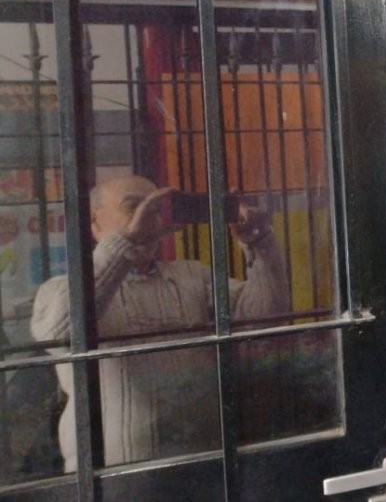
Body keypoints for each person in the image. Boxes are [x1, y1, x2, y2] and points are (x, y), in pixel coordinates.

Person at [29, 175, 287, 471]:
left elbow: (266, 317)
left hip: (205, 459)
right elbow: (62, 334)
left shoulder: (191, 276)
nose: (147, 218)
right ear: (94, 221)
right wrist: (124, 241)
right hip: (110, 473)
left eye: (154, 208)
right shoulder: (58, 289)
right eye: (133, 207)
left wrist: (260, 242)